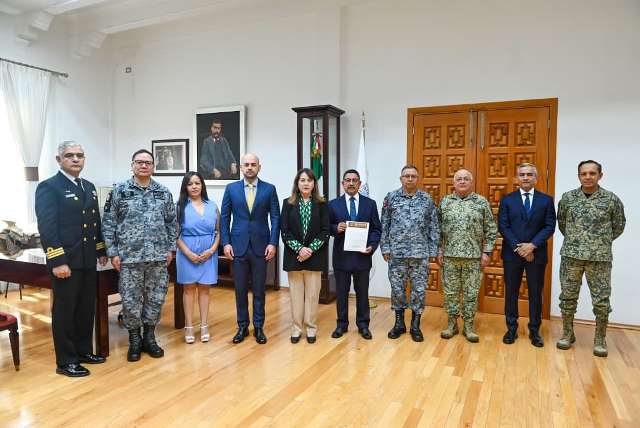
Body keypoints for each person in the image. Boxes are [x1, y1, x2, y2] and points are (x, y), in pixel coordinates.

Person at [35, 141, 108, 377]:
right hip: (66, 261)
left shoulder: (88, 186)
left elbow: (94, 222)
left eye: (79, 155)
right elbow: (47, 228)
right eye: (69, 155)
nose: (75, 159)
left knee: (86, 309)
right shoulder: (49, 187)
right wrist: (58, 261)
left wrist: (100, 250)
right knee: (65, 311)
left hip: (87, 259)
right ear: (59, 160)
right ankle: (66, 361)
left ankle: (83, 352)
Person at [102, 149, 177, 362]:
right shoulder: (120, 191)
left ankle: (149, 338)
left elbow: (172, 222)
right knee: (130, 300)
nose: (144, 166)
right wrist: (113, 252)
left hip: (157, 257)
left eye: (148, 163)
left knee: (156, 298)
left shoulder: (163, 192)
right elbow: (108, 223)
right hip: (129, 258)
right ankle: (134, 339)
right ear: (132, 165)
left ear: (153, 167)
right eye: (139, 162)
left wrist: (170, 249)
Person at [556, 160, 625, 357]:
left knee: (601, 301)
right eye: (583, 173)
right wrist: (577, 240)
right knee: (567, 297)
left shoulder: (611, 200)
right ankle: (567, 333)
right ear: (579, 176)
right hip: (572, 256)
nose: (587, 177)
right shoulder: (568, 198)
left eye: (592, 173)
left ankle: (600, 338)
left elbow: (618, 226)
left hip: (599, 258)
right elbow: (562, 223)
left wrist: (598, 242)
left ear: (600, 176)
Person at [220, 153, 280, 344]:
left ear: (259, 167)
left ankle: (259, 327)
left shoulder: (269, 189)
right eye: (246, 164)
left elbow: (275, 218)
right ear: (241, 167)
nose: (250, 167)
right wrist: (226, 243)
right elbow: (224, 218)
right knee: (240, 290)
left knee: (259, 290)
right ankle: (242, 326)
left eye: (253, 164)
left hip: (261, 247)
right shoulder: (231, 189)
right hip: (238, 246)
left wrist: (273, 243)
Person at [498, 163, 556, 347]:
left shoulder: (546, 200)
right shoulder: (507, 200)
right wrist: (520, 248)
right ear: (517, 178)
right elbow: (503, 226)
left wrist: (532, 246)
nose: (525, 177)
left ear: (535, 178)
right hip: (512, 254)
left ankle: (534, 330)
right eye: (522, 174)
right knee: (511, 292)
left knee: (535, 293)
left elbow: (549, 226)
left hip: (537, 254)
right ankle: (511, 329)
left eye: (529, 174)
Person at [380, 165, 440, 342]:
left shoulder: (427, 199)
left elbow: (434, 226)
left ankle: (415, 325)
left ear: (418, 178)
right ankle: (399, 324)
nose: (410, 179)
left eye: (413, 176)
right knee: (397, 289)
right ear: (401, 179)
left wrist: (433, 250)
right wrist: (385, 248)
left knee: (418, 290)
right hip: (396, 254)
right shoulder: (391, 197)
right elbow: (385, 224)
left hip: (420, 254)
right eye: (407, 176)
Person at [437, 169, 497, 343]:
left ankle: (469, 326)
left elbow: (491, 229)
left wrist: (487, 252)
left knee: (471, 293)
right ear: (454, 183)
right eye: (459, 179)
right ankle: (452, 324)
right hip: (449, 257)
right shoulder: (445, 202)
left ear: (471, 182)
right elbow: (437, 229)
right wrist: (439, 250)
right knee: (450, 293)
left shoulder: (481, 202)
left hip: (474, 258)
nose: (462, 181)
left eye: (466, 179)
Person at [328, 169, 381, 340]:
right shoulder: (333, 204)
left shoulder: (370, 204)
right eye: (348, 180)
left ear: (359, 183)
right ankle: (341, 325)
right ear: (343, 183)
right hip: (341, 257)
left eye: (354, 180)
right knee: (341, 293)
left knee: (362, 293)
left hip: (362, 257)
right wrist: (335, 228)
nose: (351, 183)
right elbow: (325, 227)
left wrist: (372, 246)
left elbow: (376, 229)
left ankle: (363, 325)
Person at [281, 168, 330, 344]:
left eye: (309, 180)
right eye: (302, 180)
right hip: (294, 258)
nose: (306, 183)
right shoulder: (288, 203)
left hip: (314, 258)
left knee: (312, 296)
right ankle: (296, 328)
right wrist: (300, 249)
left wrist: (309, 250)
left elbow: (325, 231)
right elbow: (284, 231)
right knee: (296, 296)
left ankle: (310, 328)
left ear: (314, 184)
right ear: (297, 183)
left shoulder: (322, 204)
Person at [175, 171, 220, 343]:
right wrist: (188, 253)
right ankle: (188, 326)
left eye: (197, 183)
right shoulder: (179, 207)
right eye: (190, 184)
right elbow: (175, 234)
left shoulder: (212, 206)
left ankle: (204, 325)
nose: (194, 186)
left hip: (208, 254)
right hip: (186, 253)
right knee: (188, 290)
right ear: (185, 187)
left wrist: (212, 250)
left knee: (205, 289)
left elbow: (218, 232)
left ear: (202, 185)